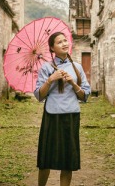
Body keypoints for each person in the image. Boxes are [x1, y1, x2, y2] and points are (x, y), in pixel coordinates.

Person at [34, 32, 91, 186]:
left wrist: (73, 83)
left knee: (68, 160)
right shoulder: (46, 68)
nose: (64, 43)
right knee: (46, 158)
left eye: (65, 40)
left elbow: (84, 96)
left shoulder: (77, 67)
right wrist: (51, 79)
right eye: (59, 42)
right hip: (52, 116)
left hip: (71, 116)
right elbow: (39, 96)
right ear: (52, 48)